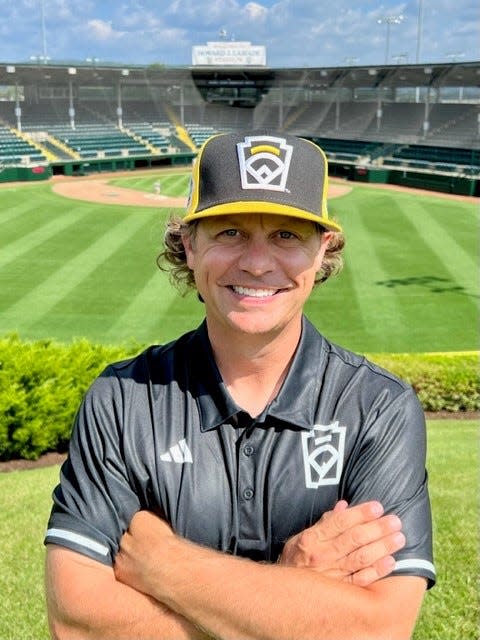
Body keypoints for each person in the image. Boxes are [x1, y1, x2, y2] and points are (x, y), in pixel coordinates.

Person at [44, 131, 435, 640]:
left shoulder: (379, 408)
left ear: (323, 250)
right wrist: (293, 592)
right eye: (229, 232)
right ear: (189, 244)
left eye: (287, 236)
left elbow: (379, 628)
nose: (256, 262)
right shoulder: (121, 399)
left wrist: (164, 565)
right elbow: (76, 621)